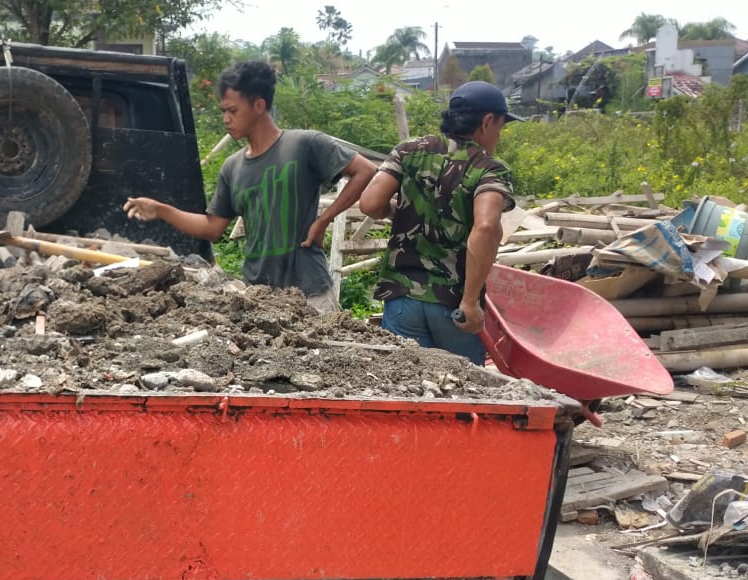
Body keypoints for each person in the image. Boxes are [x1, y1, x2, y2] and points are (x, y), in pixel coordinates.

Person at [123, 60, 377, 314]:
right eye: (223, 111)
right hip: (259, 296)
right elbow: (212, 228)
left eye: (232, 110)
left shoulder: (305, 144)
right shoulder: (232, 168)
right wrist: (162, 210)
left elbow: (365, 170)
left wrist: (324, 220)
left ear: (259, 105)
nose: (226, 119)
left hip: (310, 293)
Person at [358, 80, 522, 364]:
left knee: (406, 389)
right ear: (487, 122)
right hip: (453, 307)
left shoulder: (410, 150)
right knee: (462, 393)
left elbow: (370, 204)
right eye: (500, 127)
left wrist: (396, 212)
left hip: (402, 299)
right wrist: (470, 302)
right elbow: (485, 227)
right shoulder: (488, 168)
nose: (499, 135)